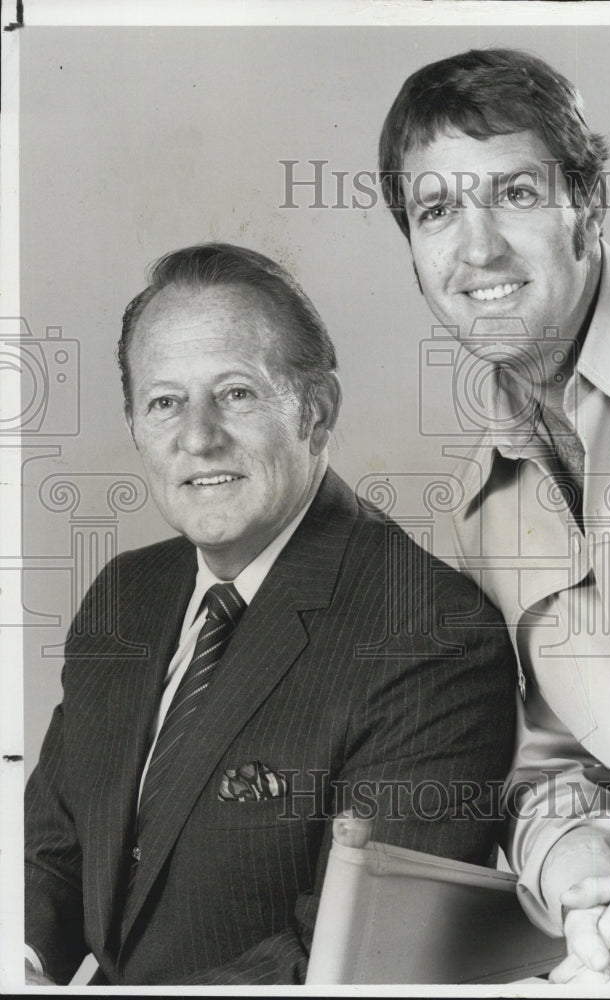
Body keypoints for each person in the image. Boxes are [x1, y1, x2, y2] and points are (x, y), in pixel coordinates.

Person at [24, 242, 518, 986]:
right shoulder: (127, 595)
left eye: (235, 393)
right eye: (164, 402)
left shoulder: (429, 634)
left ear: (316, 412)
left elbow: (349, 961)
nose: (197, 437)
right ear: (134, 425)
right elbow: (52, 852)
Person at [379, 48, 610, 985]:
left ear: (587, 201)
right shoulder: (478, 515)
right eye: (437, 211)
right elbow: (545, 765)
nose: (478, 249)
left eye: (512, 194)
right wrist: (584, 875)